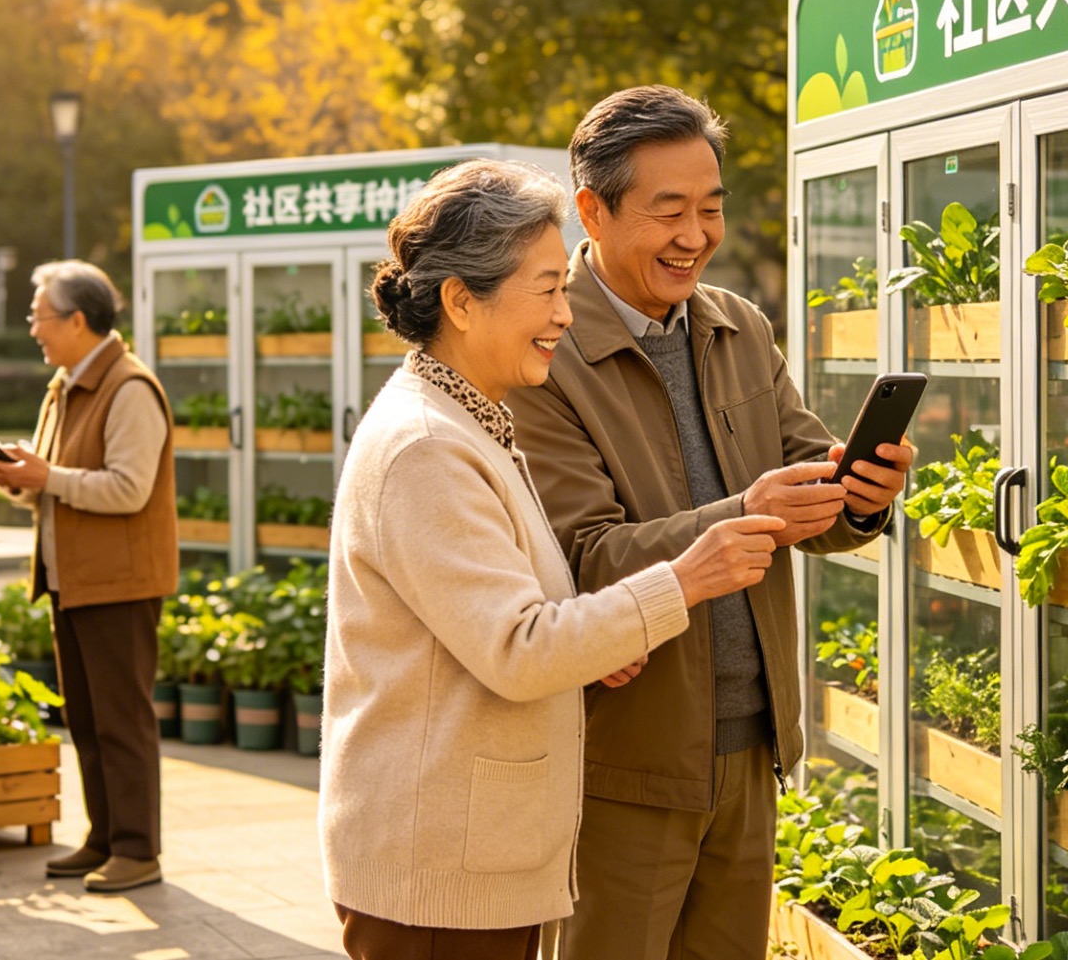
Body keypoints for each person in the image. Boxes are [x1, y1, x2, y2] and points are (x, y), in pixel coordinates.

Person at [320, 159, 788, 960]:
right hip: (439, 871)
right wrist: (688, 576)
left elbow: (506, 616)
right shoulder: (428, 446)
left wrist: (595, 648)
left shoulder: (467, 421)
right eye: (546, 289)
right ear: (461, 301)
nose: (565, 316)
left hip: (470, 856)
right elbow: (517, 647)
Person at [509, 87, 915, 960]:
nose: (694, 235)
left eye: (710, 209)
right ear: (593, 209)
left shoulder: (738, 326)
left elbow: (811, 496)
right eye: (668, 212)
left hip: (752, 741)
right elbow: (583, 557)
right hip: (624, 758)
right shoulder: (547, 349)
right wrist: (743, 513)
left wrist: (863, 494)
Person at [0, 260, 176, 895]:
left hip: (119, 584)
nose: (32, 328)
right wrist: (19, 478)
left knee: (123, 721)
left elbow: (127, 489)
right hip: (74, 582)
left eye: (39, 316)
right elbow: (56, 485)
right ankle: (104, 837)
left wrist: (45, 478)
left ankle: (138, 850)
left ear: (78, 320)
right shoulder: (65, 385)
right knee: (88, 721)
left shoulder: (130, 388)